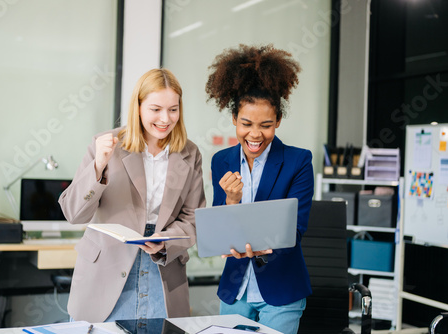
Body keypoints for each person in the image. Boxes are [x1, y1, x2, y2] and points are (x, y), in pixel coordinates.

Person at [59, 68, 206, 323]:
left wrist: (167, 241)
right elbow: (73, 213)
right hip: (105, 272)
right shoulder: (107, 144)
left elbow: (194, 218)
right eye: (156, 109)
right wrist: (98, 166)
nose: (165, 118)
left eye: (173, 109)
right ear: (138, 107)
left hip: (162, 270)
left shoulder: (190, 153)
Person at [205, 44, 314, 334]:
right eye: (246, 123)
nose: (255, 134)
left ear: (278, 120)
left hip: (281, 289)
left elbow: (297, 228)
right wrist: (231, 200)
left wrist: (267, 247)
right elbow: (218, 229)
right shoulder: (222, 161)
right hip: (235, 288)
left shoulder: (298, 161)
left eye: (266, 125)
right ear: (234, 120)